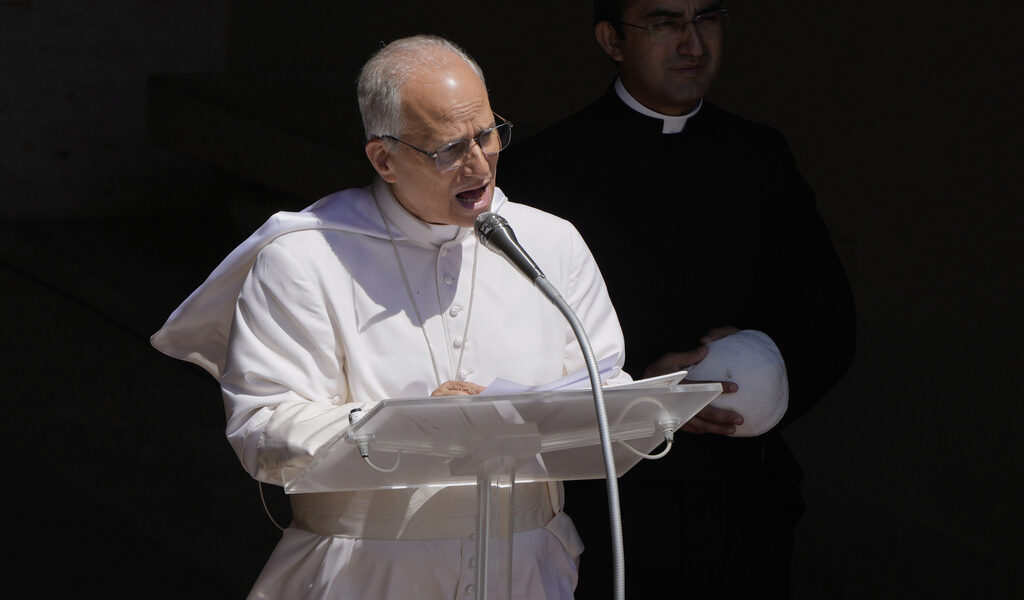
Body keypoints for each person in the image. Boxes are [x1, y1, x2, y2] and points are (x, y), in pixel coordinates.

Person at [151, 34, 631, 599]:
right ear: (384, 159)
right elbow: (263, 430)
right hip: (365, 573)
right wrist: (411, 425)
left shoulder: (550, 243)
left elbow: (607, 393)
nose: (479, 164)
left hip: (523, 569)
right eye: (449, 149)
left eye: (487, 134)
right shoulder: (306, 258)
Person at [499, 1, 856, 597]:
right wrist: (642, 393)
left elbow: (824, 316)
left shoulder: (761, 157)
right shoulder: (544, 171)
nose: (693, 44)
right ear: (612, 40)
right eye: (665, 24)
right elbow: (509, 357)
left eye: (707, 19)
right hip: (610, 511)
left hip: (740, 505)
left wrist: (762, 360)